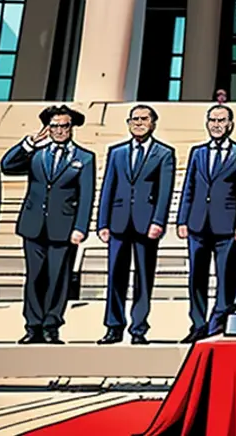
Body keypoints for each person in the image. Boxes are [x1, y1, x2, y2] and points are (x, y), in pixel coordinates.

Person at [1, 105, 96, 344]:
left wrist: (80, 228)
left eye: (64, 125)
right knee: (35, 277)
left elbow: (87, 196)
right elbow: (7, 166)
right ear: (47, 128)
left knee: (58, 277)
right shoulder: (36, 153)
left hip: (63, 228)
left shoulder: (84, 157)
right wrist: (28, 143)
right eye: (54, 126)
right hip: (33, 225)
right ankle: (32, 326)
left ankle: (51, 325)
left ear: (71, 127)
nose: (59, 130)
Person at [96, 105, 176, 345]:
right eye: (134, 119)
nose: (139, 123)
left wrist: (158, 221)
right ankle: (113, 326)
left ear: (153, 123)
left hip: (146, 223)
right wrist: (103, 222)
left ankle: (139, 328)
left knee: (143, 277)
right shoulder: (117, 152)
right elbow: (107, 188)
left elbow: (165, 191)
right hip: (118, 222)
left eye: (144, 119)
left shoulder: (163, 153)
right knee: (115, 276)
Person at [177, 104, 236, 342]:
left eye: (221, 120)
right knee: (196, 276)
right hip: (197, 224)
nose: (216, 125)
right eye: (212, 120)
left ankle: (218, 322)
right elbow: (189, 186)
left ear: (230, 124)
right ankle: (198, 324)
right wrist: (182, 219)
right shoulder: (197, 153)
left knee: (226, 277)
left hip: (227, 226)